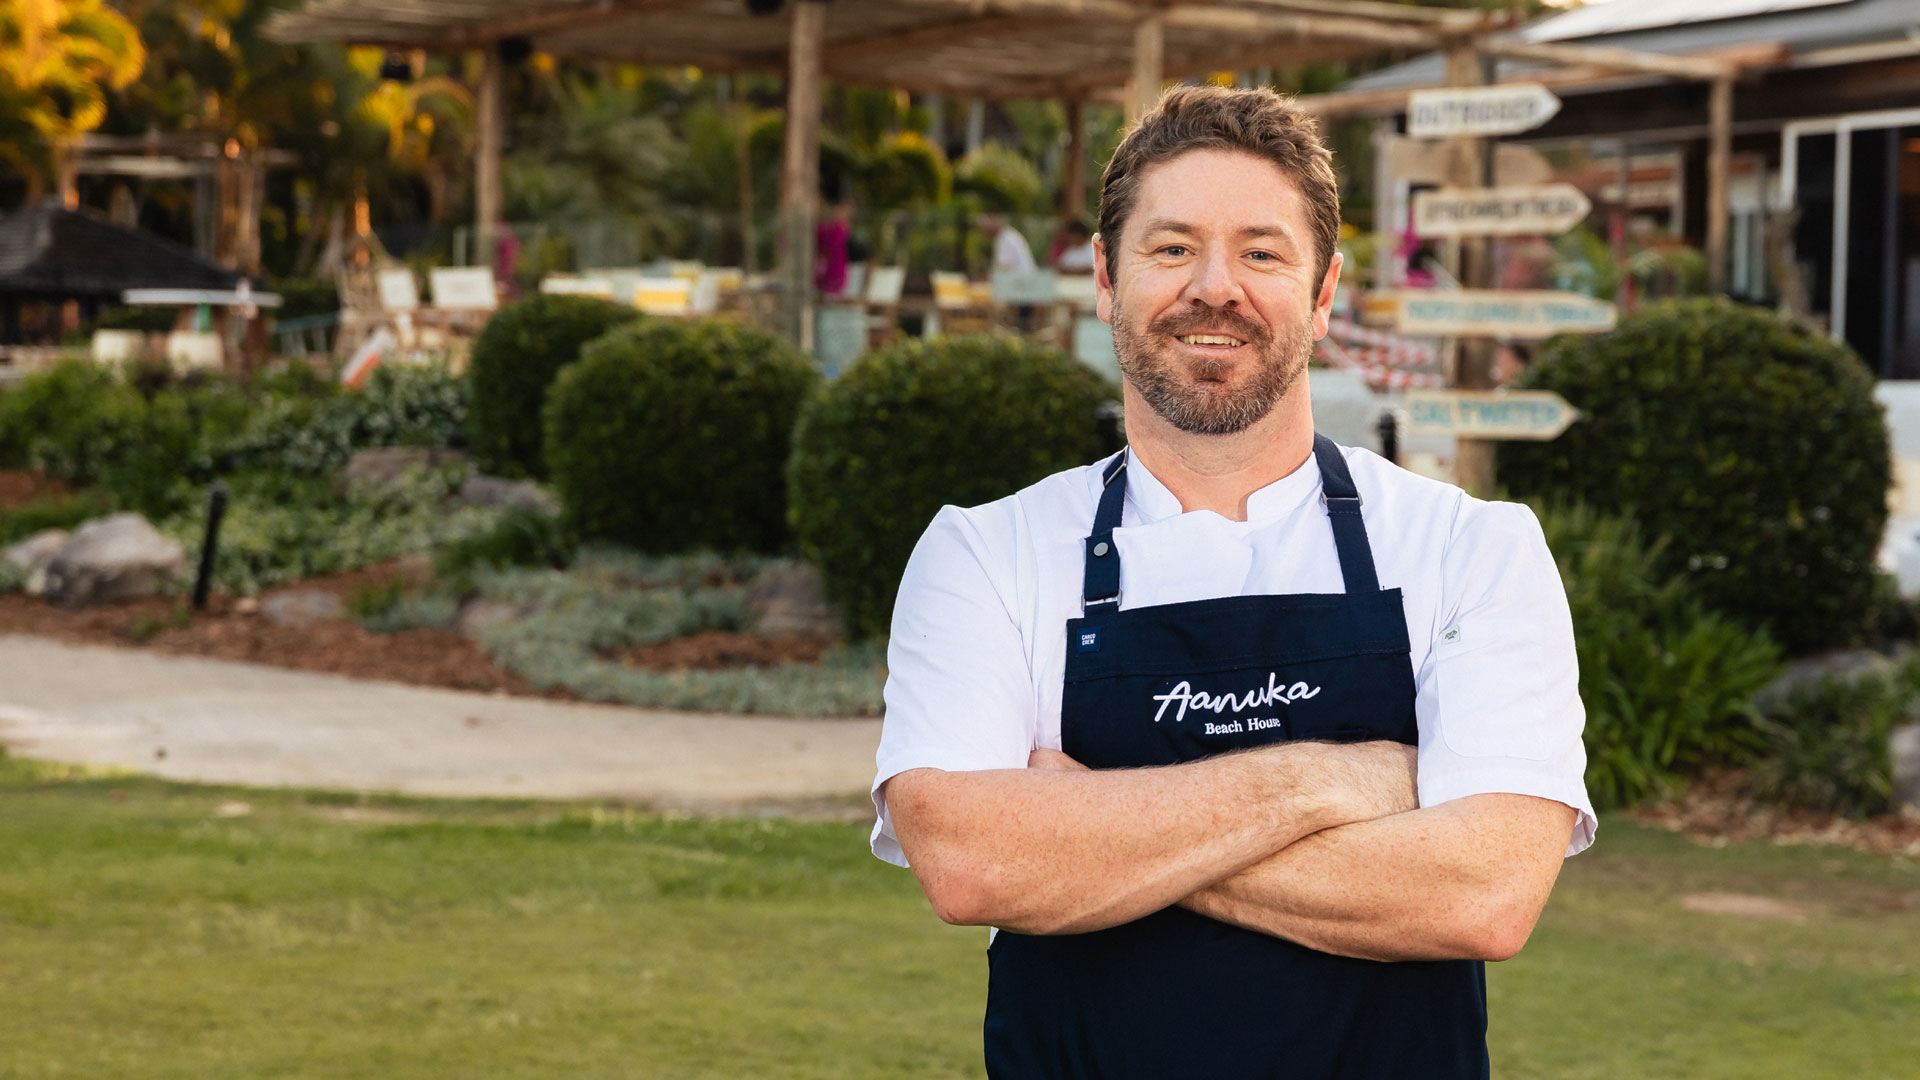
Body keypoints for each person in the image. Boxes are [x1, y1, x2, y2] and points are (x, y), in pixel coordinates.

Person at [871, 85, 1593, 1079]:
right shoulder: (986, 554)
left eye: (1261, 252)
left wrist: (1094, 829)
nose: (1216, 288)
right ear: (1102, 276)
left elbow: (1482, 896)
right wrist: (1340, 780)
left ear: (1326, 291)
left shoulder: (1471, 548)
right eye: (1171, 248)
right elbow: (971, 862)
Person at [815, 197, 856, 297]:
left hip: (833, 271)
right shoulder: (829, 227)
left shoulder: (840, 228)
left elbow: (831, 246)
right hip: (825, 270)